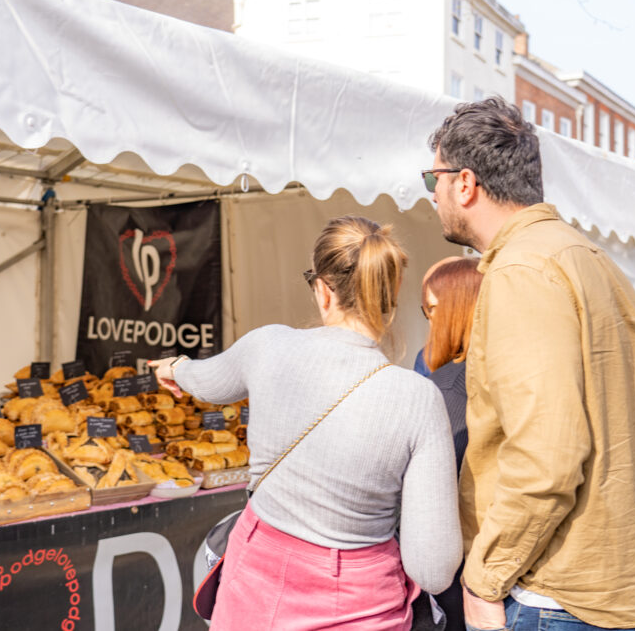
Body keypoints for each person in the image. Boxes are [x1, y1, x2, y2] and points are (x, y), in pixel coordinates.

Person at [425, 98, 635, 631]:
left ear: (465, 183)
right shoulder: (588, 258)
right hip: (626, 587)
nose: (432, 194)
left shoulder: (523, 269)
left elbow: (548, 455)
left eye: (434, 179)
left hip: (557, 598)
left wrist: (485, 578)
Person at [151, 215, 462, 630]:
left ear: (323, 290)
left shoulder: (267, 345)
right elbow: (433, 569)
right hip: (361, 605)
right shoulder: (418, 397)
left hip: (253, 589)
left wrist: (174, 367)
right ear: (391, 292)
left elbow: (207, 380)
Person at [411, 257, 482, 631]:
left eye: (434, 309)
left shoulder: (451, 385)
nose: (430, 321)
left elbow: (431, 485)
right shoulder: (497, 368)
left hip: (460, 567)